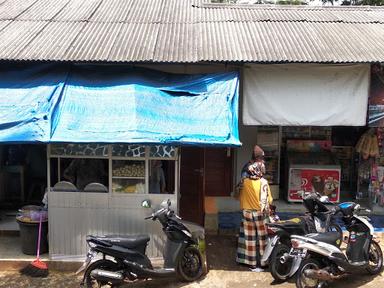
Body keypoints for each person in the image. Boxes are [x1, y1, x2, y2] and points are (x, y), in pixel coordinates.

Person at [236, 145, 273, 272]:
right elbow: (269, 200)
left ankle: (251, 264)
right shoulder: (264, 183)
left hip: (246, 212)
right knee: (262, 238)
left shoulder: (244, 182)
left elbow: (237, 196)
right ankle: (263, 263)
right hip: (260, 214)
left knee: (250, 239)